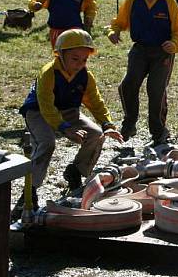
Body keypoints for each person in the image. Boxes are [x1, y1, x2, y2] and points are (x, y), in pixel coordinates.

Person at [14, 29, 123, 218]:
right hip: (39, 112)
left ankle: (75, 171)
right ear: (60, 54)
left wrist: (108, 124)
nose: (80, 64)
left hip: (68, 112)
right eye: (75, 59)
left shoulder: (85, 76)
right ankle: (29, 192)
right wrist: (65, 129)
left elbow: (95, 102)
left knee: (96, 134)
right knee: (47, 143)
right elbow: (46, 106)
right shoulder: (48, 73)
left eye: (84, 60)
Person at [108, 0, 178, 146]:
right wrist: (113, 32)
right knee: (127, 85)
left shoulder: (169, 2)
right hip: (140, 49)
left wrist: (174, 44)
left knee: (156, 89)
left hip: (162, 52)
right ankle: (129, 124)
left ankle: (159, 131)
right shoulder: (133, 1)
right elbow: (118, 22)